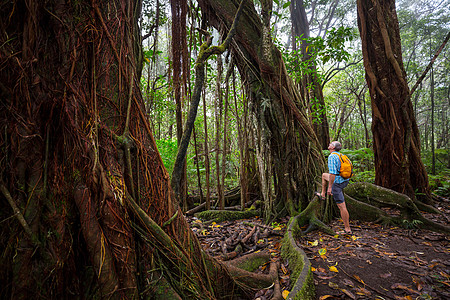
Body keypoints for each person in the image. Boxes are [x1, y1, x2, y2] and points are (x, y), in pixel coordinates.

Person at [319, 141, 351, 234]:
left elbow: (333, 174)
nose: (329, 144)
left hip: (337, 183)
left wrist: (330, 188)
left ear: (333, 147)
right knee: (324, 175)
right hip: (345, 181)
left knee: (342, 207)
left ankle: (347, 229)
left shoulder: (332, 156)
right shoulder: (341, 155)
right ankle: (323, 195)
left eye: (331, 144)